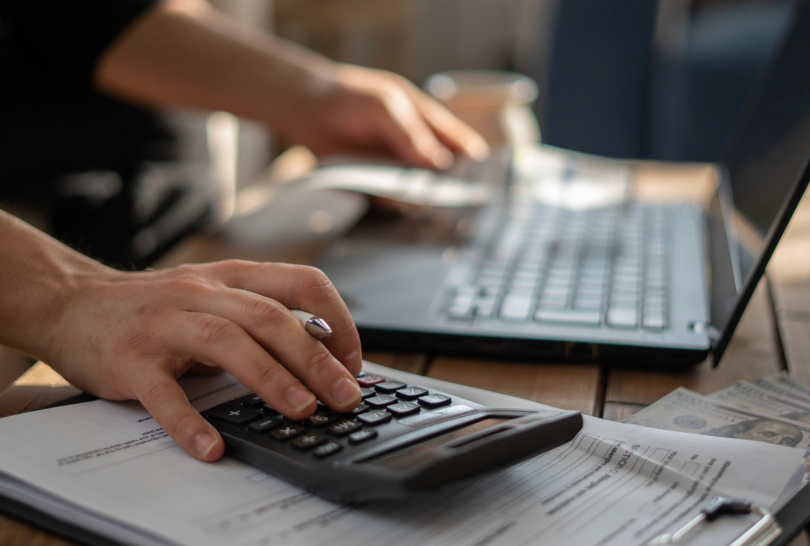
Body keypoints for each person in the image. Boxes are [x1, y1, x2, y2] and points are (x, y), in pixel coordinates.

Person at [0, 0, 488, 462]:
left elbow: (78, 15)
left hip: (181, 254)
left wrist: (315, 98)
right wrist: (68, 298)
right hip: (55, 279)